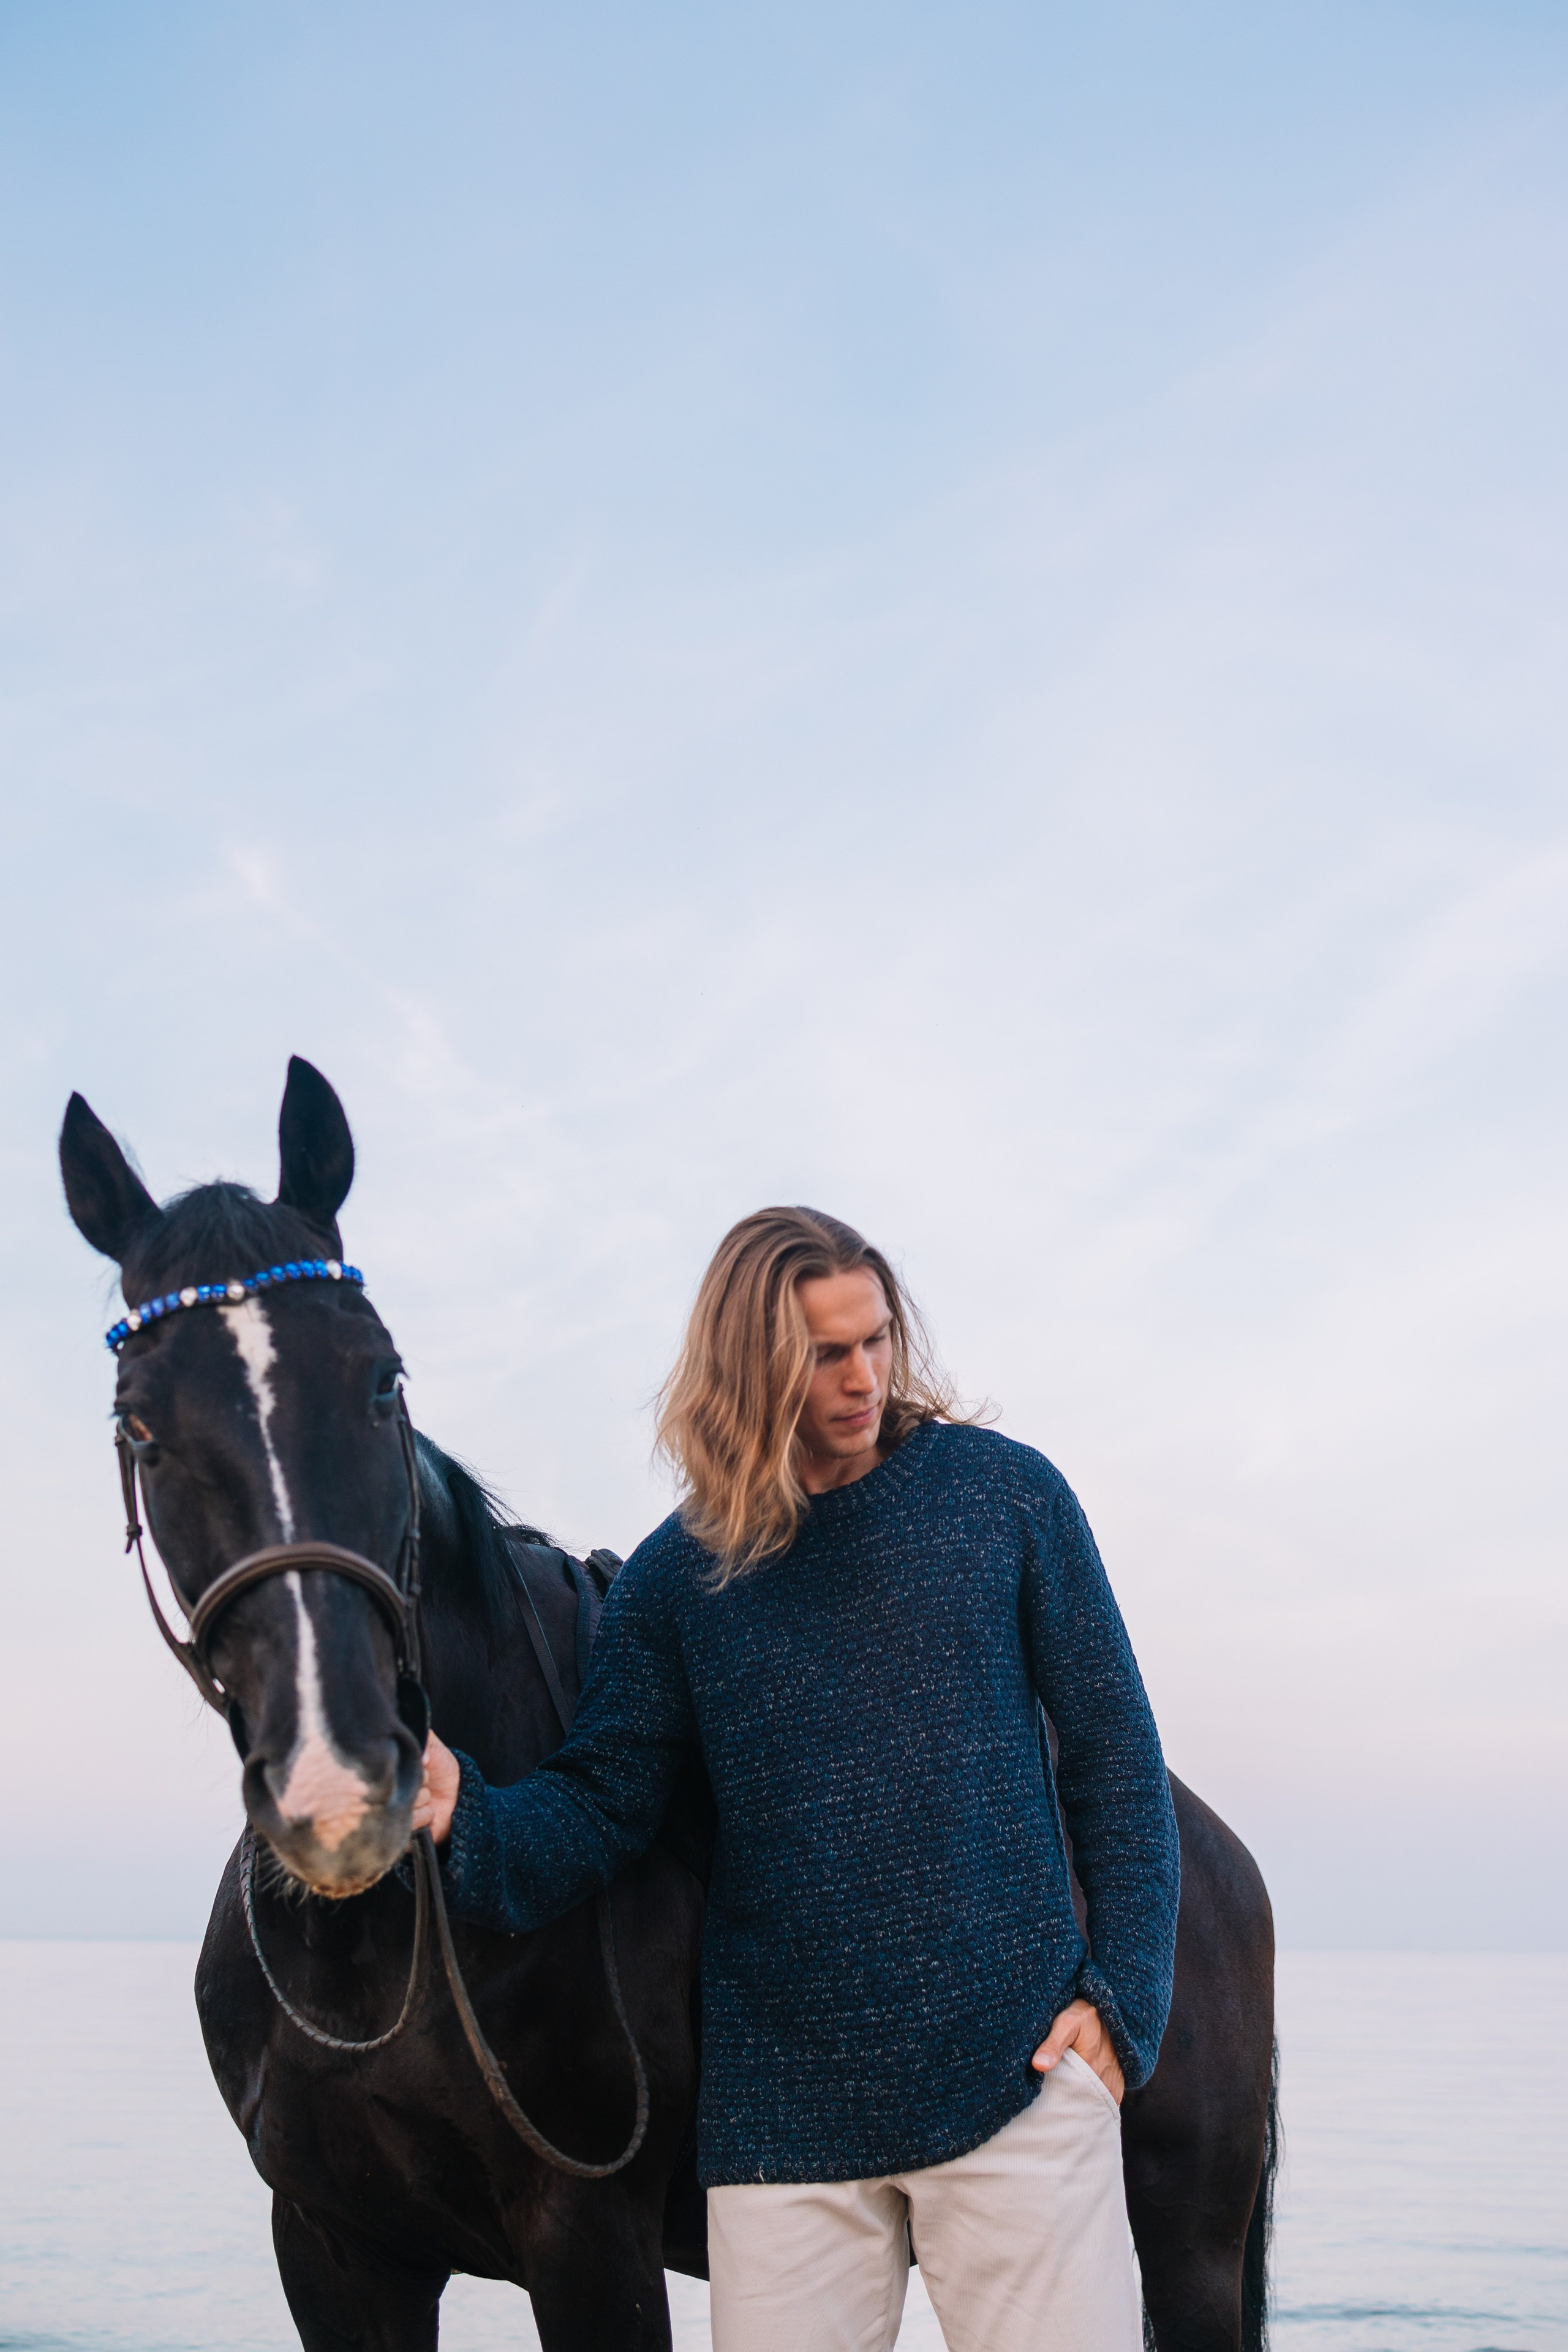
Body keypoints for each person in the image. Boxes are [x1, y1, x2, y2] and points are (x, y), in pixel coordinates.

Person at [415, 1207, 1179, 2352]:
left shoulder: (1005, 1497)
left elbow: (1119, 1763)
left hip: (1019, 2077)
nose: (864, 1377)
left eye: (876, 1339)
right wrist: (464, 1813)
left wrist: (1124, 2007)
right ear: (749, 1367)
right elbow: (601, 1805)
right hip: (786, 2131)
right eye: (826, 1354)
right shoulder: (676, 1581)